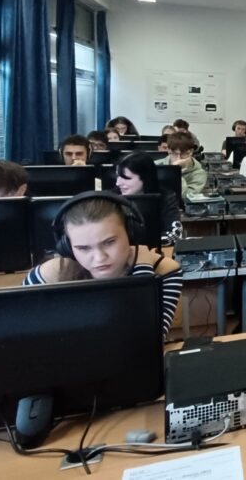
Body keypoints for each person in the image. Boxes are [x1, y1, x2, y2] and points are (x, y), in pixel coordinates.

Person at [23, 192, 182, 339]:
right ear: (67, 247)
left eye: (109, 242)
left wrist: (143, 271)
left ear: (131, 233)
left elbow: (146, 340)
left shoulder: (164, 271)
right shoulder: (48, 276)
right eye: (83, 248)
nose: (99, 258)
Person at [113, 151, 183, 244]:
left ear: (145, 178)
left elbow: (175, 235)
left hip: (155, 250)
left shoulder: (166, 197)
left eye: (126, 178)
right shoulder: (111, 198)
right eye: (117, 176)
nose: (118, 183)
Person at [155, 130, 207, 198]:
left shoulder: (199, 174)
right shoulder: (156, 165)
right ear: (169, 151)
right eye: (174, 153)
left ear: (191, 152)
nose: (178, 158)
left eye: (183, 153)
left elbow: (186, 197)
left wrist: (176, 173)